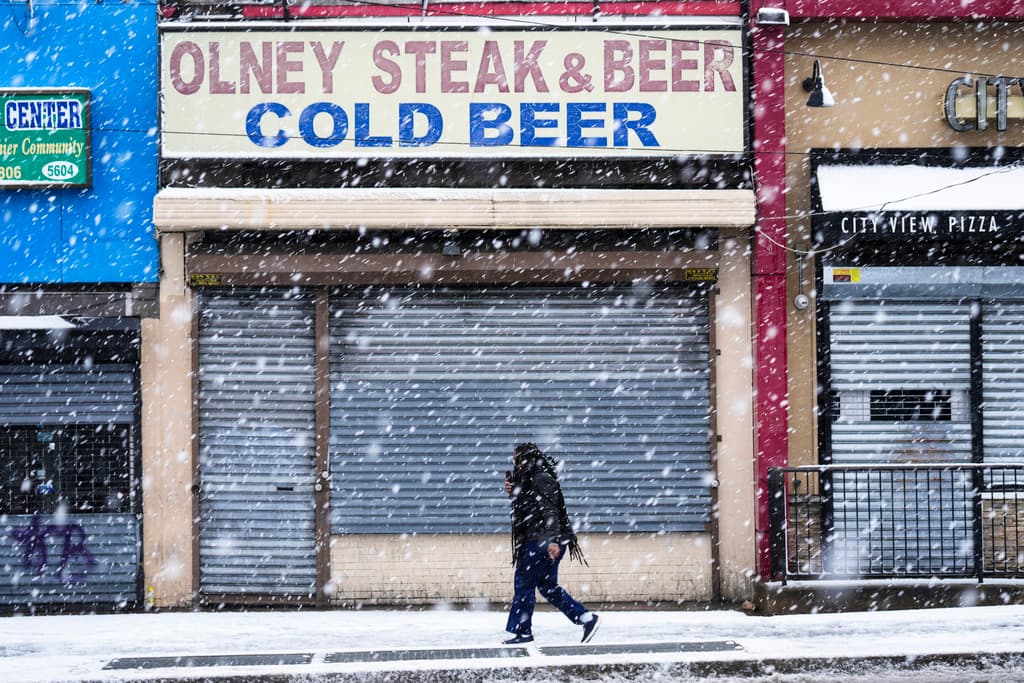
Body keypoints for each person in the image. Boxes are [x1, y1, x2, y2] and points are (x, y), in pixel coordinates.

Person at [503, 442, 599, 645]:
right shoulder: (530, 479)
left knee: (524, 583)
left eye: (516, 458)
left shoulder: (540, 478)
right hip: (540, 540)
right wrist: (513, 492)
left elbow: (550, 511)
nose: (514, 463)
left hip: (542, 541)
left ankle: (522, 631)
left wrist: (553, 541)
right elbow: (530, 505)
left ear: (525, 458)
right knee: (547, 586)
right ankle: (586, 619)